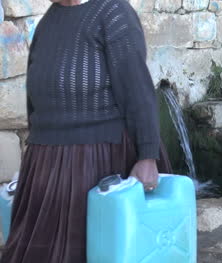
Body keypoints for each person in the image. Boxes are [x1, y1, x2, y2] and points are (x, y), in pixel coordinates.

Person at [1, 0, 172, 262]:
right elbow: (35, 101)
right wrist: (32, 161)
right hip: (45, 164)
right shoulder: (50, 20)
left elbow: (138, 90)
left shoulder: (113, 13)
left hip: (96, 160)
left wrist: (148, 156)